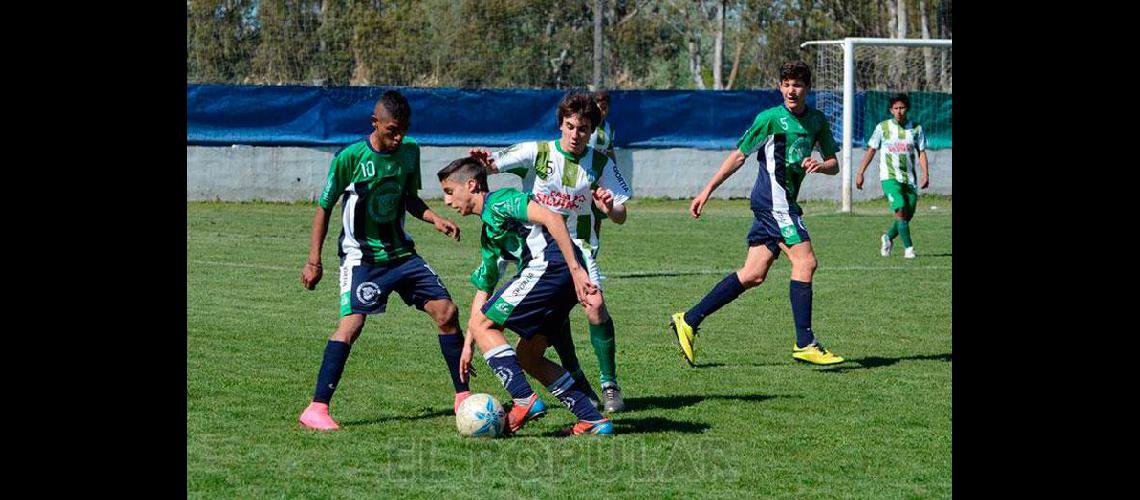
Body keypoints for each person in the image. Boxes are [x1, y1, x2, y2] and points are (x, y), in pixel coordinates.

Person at [297, 90, 469, 431]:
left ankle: (463, 396)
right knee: (352, 326)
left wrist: (435, 218)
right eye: (392, 130)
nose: (399, 137)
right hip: (362, 258)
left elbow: (408, 197)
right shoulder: (350, 157)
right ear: (375, 123)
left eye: (403, 129)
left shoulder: (409, 151)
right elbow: (324, 206)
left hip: (402, 254)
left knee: (447, 312)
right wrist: (314, 260)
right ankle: (316, 408)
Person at [669, 61, 846, 367]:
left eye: (798, 85)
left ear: (807, 89)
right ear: (780, 87)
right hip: (773, 202)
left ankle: (689, 319)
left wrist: (820, 164)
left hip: (782, 202)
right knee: (806, 261)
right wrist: (706, 190)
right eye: (786, 84)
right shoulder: (769, 119)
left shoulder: (816, 121)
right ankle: (805, 342)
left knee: (753, 273)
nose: (792, 90)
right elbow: (739, 155)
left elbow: (834, 164)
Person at [471, 92, 633, 412]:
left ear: (592, 132)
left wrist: (610, 206)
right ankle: (577, 384)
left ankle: (610, 386)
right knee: (552, 323)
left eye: (583, 129)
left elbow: (621, 216)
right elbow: (491, 166)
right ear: (560, 124)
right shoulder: (537, 152)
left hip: (580, 249)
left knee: (595, 306)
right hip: (538, 251)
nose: (576, 134)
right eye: (570, 126)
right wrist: (484, 163)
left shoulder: (600, 163)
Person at [438, 157, 614, 436]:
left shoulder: (501, 201)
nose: (447, 202)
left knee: (484, 324)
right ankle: (591, 418)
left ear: (471, 185)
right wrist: (469, 344)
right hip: (555, 276)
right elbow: (483, 289)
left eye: (449, 192)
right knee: (527, 356)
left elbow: (551, 217)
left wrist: (576, 269)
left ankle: (524, 400)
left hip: (552, 266)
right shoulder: (489, 234)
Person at [855, 93, 930, 259]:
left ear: (907, 109)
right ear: (891, 110)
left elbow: (922, 152)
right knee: (900, 209)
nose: (899, 111)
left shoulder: (916, 129)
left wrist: (926, 174)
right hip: (889, 178)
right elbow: (871, 150)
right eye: (896, 108)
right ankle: (909, 249)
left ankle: (887, 237)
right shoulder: (883, 128)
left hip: (910, 179)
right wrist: (860, 172)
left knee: (907, 215)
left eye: (902, 108)